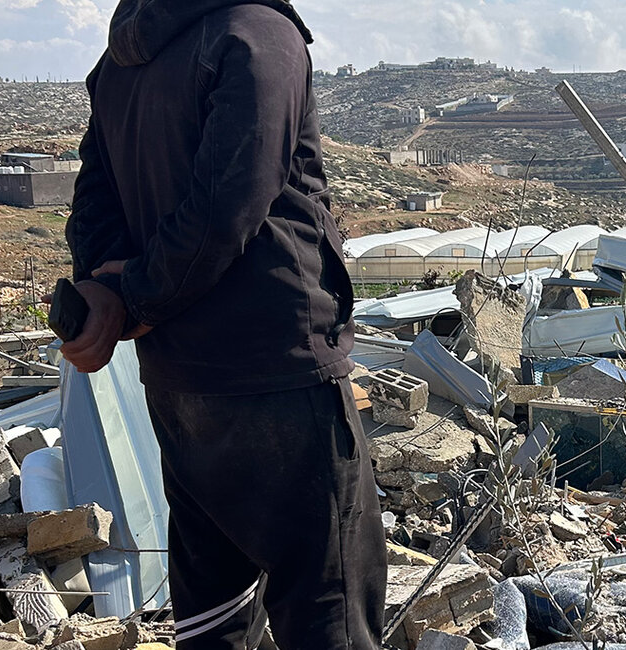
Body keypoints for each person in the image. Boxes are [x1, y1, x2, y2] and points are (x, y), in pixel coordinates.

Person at [58, 0, 384, 647]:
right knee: (330, 602)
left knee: (212, 610)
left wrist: (104, 290)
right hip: (276, 370)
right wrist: (137, 294)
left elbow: (93, 201)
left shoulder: (122, 59)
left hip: (178, 383)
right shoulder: (259, 36)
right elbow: (228, 206)